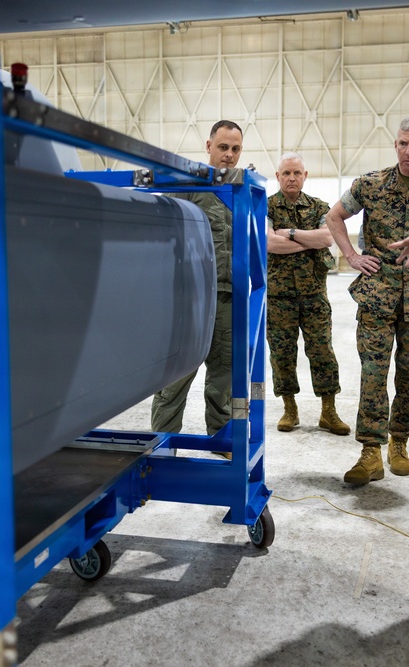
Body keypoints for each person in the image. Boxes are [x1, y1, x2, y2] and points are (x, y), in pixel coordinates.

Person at [325, 115, 409, 484]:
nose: (408, 150)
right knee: (373, 374)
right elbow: (334, 216)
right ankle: (370, 452)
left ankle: (399, 441)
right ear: (396, 145)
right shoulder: (371, 184)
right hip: (377, 297)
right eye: (402, 143)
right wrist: (352, 256)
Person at [151, 120, 245, 453]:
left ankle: (220, 441)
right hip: (191, 299)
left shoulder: (241, 190)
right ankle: (162, 443)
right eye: (223, 147)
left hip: (229, 300)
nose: (229, 155)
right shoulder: (188, 185)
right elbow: (160, 233)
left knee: (222, 379)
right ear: (209, 147)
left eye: (235, 149)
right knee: (175, 376)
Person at [266, 152, 350, 435]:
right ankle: (290, 409)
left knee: (322, 350)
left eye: (296, 173)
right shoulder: (264, 207)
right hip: (279, 297)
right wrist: (307, 240)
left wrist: (288, 233)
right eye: (286, 173)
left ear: (305, 175)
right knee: (282, 353)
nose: (292, 178)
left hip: (314, 294)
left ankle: (329, 411)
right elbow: (269, 244)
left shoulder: (318, 206)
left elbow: (327, 237)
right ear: (278, 177)